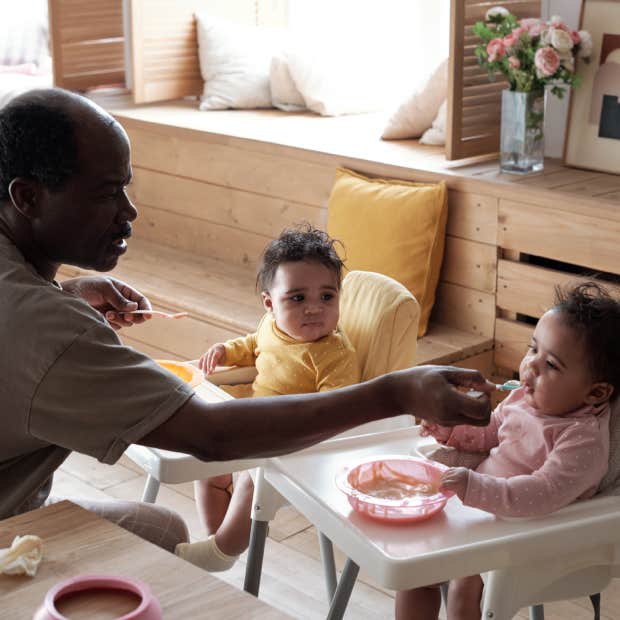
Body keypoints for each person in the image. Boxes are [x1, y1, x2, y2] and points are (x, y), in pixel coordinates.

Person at [0, 87, 494, 557]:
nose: (130, 211)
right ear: (28, 197)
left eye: (126, 187)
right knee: (165, 545)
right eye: (107, 193)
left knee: (163, 528)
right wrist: (395, 393)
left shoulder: (33, 304)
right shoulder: (49, 331)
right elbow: (213, 436)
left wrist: (63, 292)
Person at [396, 281, 620, 620]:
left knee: (463, 586)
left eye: (552, 365)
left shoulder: (582, 440)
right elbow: (490, 433)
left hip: (529, 535)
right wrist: (451, 431)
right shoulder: (523, 398)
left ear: (596, 393)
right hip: (481, 515)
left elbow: (544, 493)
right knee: (414, 574)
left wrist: (475, 487)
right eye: (533, 350)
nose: (530, 366)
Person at [183, 225, 359, 571]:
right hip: (254, 427)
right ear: (270, 304)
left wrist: (288, 432)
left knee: (252, 481)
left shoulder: (333, 354)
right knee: (206, 466)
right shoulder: (272, 327)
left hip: (296, 446)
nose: (313, 309)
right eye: (297, 298)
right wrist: (225, 351)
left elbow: (334, 414)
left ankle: (219, 551)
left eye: (327, 297)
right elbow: (252, 346)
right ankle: (218, 542)